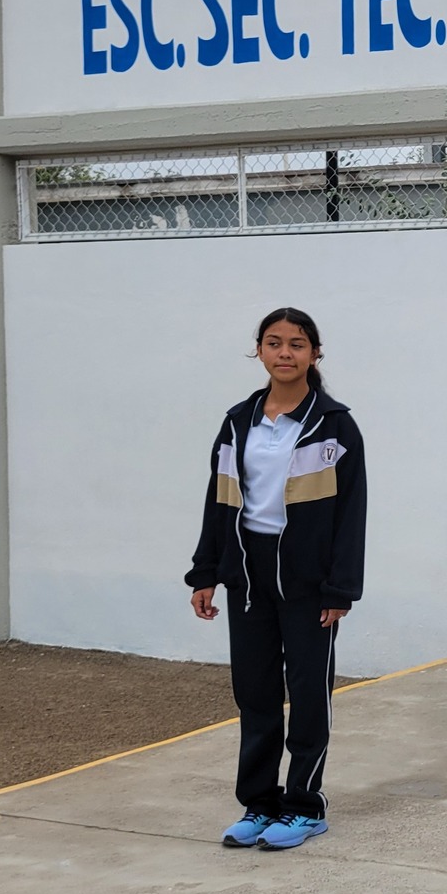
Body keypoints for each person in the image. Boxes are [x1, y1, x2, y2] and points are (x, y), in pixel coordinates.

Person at [187, 307, 366, 852]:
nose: (285, 353)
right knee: (256, 693)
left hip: (309, 581)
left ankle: (304, 806)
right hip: (247, 571)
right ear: (259, 350)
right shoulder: (238, 420)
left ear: (315, 353)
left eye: (296, 344)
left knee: (309, 694)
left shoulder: (334, 424)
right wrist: (206, 572)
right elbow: (218, 498)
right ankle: (259, 804)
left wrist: (340, 589)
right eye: (274, 343)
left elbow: (351, 513)